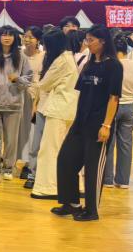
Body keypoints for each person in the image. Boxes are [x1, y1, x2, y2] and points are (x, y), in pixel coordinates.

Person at [53, 25, 122, 221]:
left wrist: (106, 125)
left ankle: (91, 210)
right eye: (87, 40)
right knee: (65, 160)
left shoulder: (114, 66)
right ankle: (71, 203)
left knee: (92, 169)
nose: (88, 43)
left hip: (99, 125)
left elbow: (114, 98)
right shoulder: (88, 65)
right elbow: (81, 94)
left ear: (103, 41)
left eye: (91, 40)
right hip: (81, 122)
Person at [30, 28, 79, 200]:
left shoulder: (61, 61)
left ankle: (48, 187)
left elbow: (44, 84)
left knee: (49, 150)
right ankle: (68, 186)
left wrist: (30, 83)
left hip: (58, 109)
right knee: (63, 150)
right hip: (68, 108)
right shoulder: (69, 57)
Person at [0, 27, 33, 184]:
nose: (7, 38)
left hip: (14, 104)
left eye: (10, 35)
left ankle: (8, 168)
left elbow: (29, 78)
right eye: (4, 35)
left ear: (15, 38)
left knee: (11, 140)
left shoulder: (21, 57)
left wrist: (17, 79)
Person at [103, 33, 133, 191]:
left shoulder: (108, 65)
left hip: (111, 106)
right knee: (126, 145)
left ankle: (107, 179)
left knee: (108, 143)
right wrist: (130, 89)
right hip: (129, 107)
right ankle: (123, 181)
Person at [16, 26, 45, 181]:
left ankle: (31, 163)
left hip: (36, 98)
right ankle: (20, 160)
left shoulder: (44, 56)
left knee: (33, 130)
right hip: (19, 95)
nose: (27, 40)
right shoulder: (18, 55)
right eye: (25, 36)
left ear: (38, 40)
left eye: (31, 37)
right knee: (19, 129)